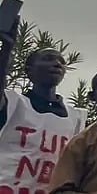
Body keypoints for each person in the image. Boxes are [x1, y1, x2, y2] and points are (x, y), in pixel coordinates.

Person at [0, 31, 86, 194]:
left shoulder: (76, 118)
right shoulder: (13, 103)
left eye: (61, 61)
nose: (57, 64)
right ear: (29, 70)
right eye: (48, 59)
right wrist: (5, 50)